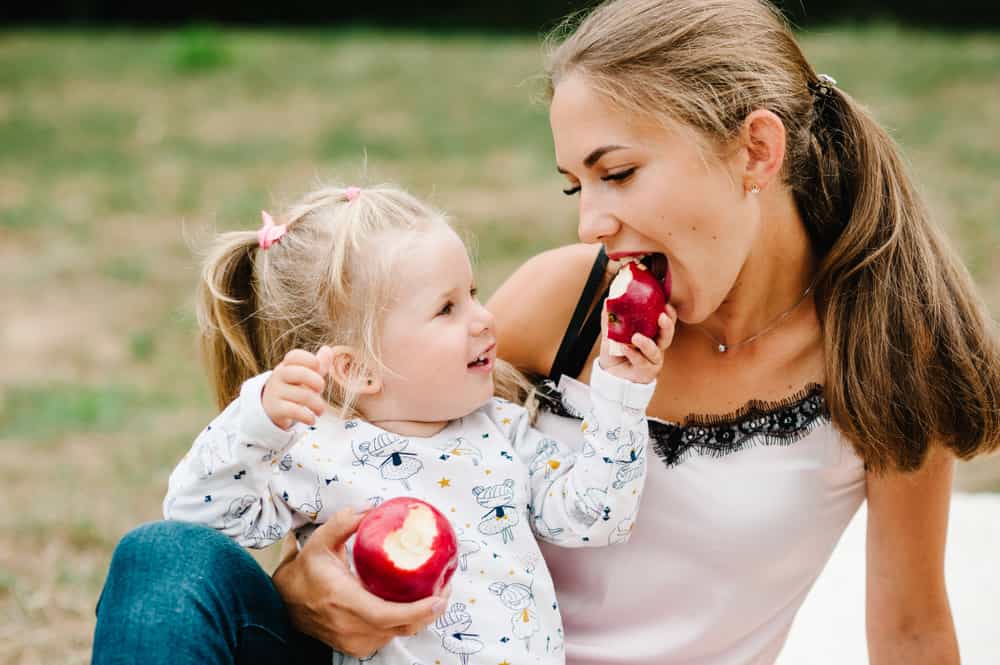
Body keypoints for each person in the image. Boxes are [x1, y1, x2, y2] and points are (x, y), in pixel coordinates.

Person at [92, 1, 1000, 664]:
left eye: (619, 172)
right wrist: (303, 588)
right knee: (165, 558)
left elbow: (912, 630)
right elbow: (389, 458)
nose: (590, 224)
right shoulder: (568, 301)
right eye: (577, 185)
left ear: (756, 151)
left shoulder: (884, 353)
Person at [94, 182, 672, 665]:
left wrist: (620, 395)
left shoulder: (502, 431)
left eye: (472, 294)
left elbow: (595, 517)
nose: (484, 318)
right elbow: (199, 527)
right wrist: (255, 422)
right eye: (447, 308)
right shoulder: (312, 449)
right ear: (358, 370)